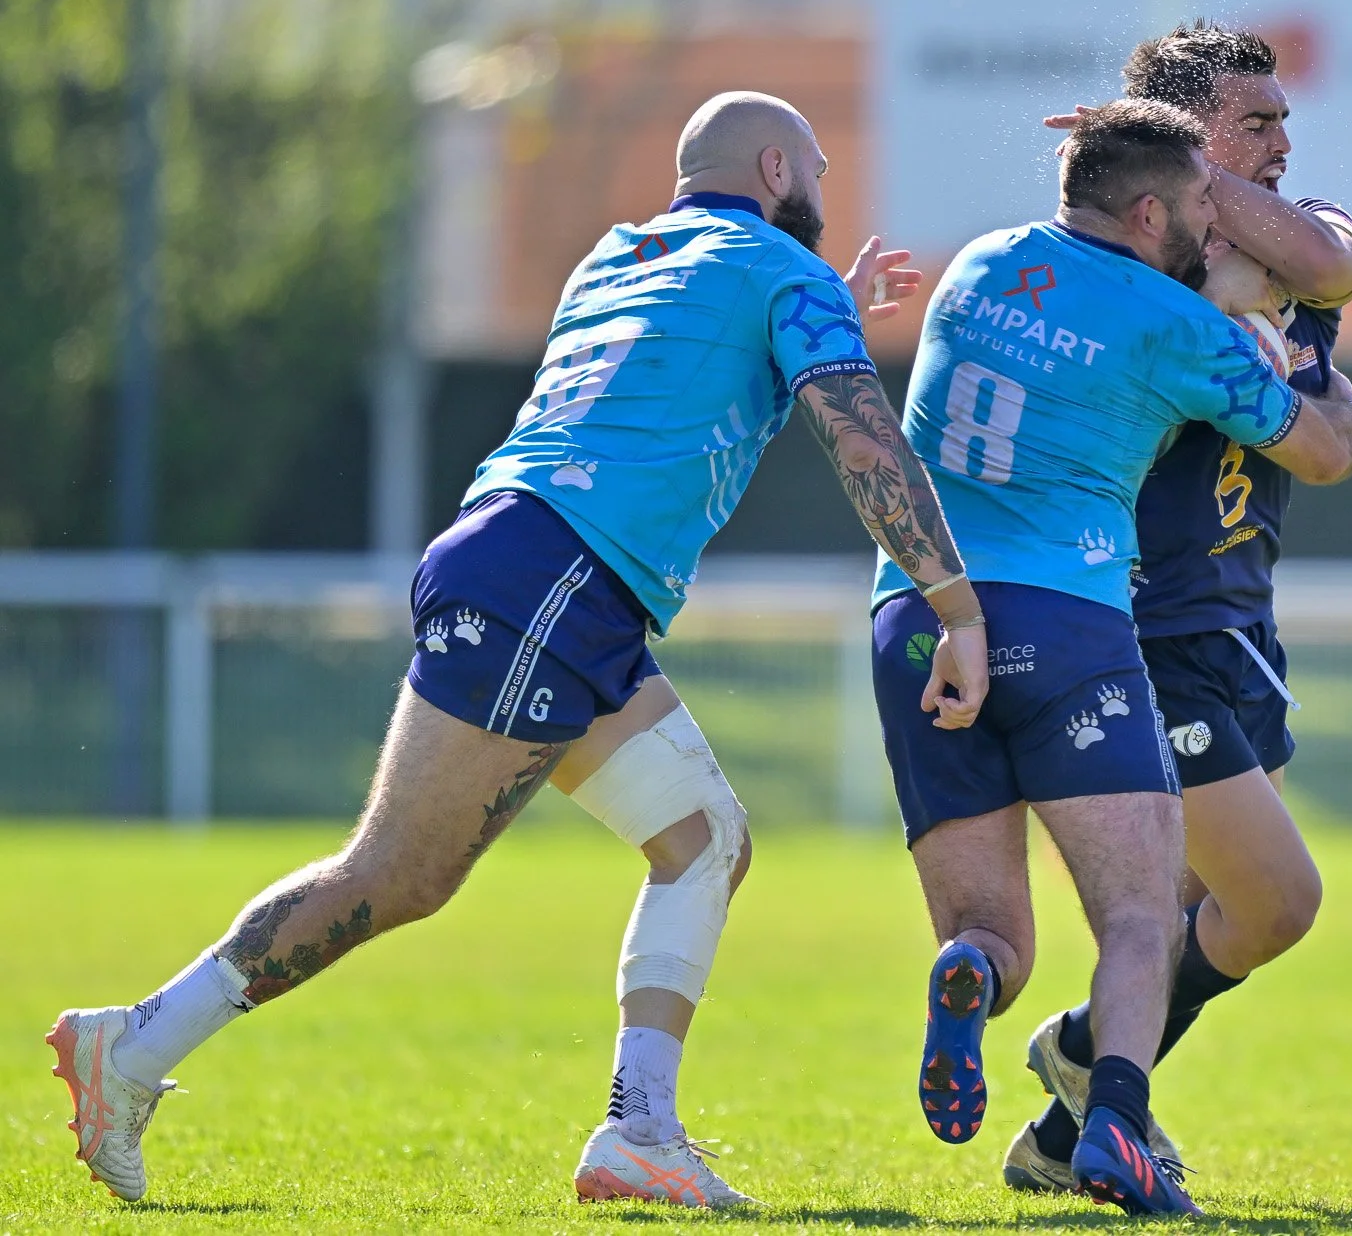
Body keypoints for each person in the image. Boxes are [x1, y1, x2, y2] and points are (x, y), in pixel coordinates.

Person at [46, 91, 988, 1208]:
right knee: (399, 873)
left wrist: (826, 300)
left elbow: (671, 365)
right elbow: (860, 433)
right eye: (820, 173)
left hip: (540, 566)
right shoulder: (775, 274)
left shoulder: (619, 254)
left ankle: (638, 1132)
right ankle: (136, 1046)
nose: (826, 198)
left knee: (703, 839)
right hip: (555, 574)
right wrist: (954, 604)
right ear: (777, 166)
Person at [870, 97, 1352, 1216]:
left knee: (993, 932)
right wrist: (1274, 342)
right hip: (1073, 625)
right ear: (1150, 210)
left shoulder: (979, 262)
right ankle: (1113, 1133)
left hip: (921, 620)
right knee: (1140, 921)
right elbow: (1323, 451)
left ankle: (976, 980)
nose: (1211, 220)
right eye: (1196, 204)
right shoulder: (1168, 321)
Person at [1006, 22, 1352, 1192]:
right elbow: (1308, 409)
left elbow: (1334, 274)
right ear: (1179, 144)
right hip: (1139, 628)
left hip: (1234, 625)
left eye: (1278, 122)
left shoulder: (1288, 235)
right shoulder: (1132, 262)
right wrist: (1172, 190)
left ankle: (1072, 1136)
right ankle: (1081, 1064)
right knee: (1274, 902)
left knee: (1183, 919)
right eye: (1248, 123)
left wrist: (1201, 180)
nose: (1276, 143)